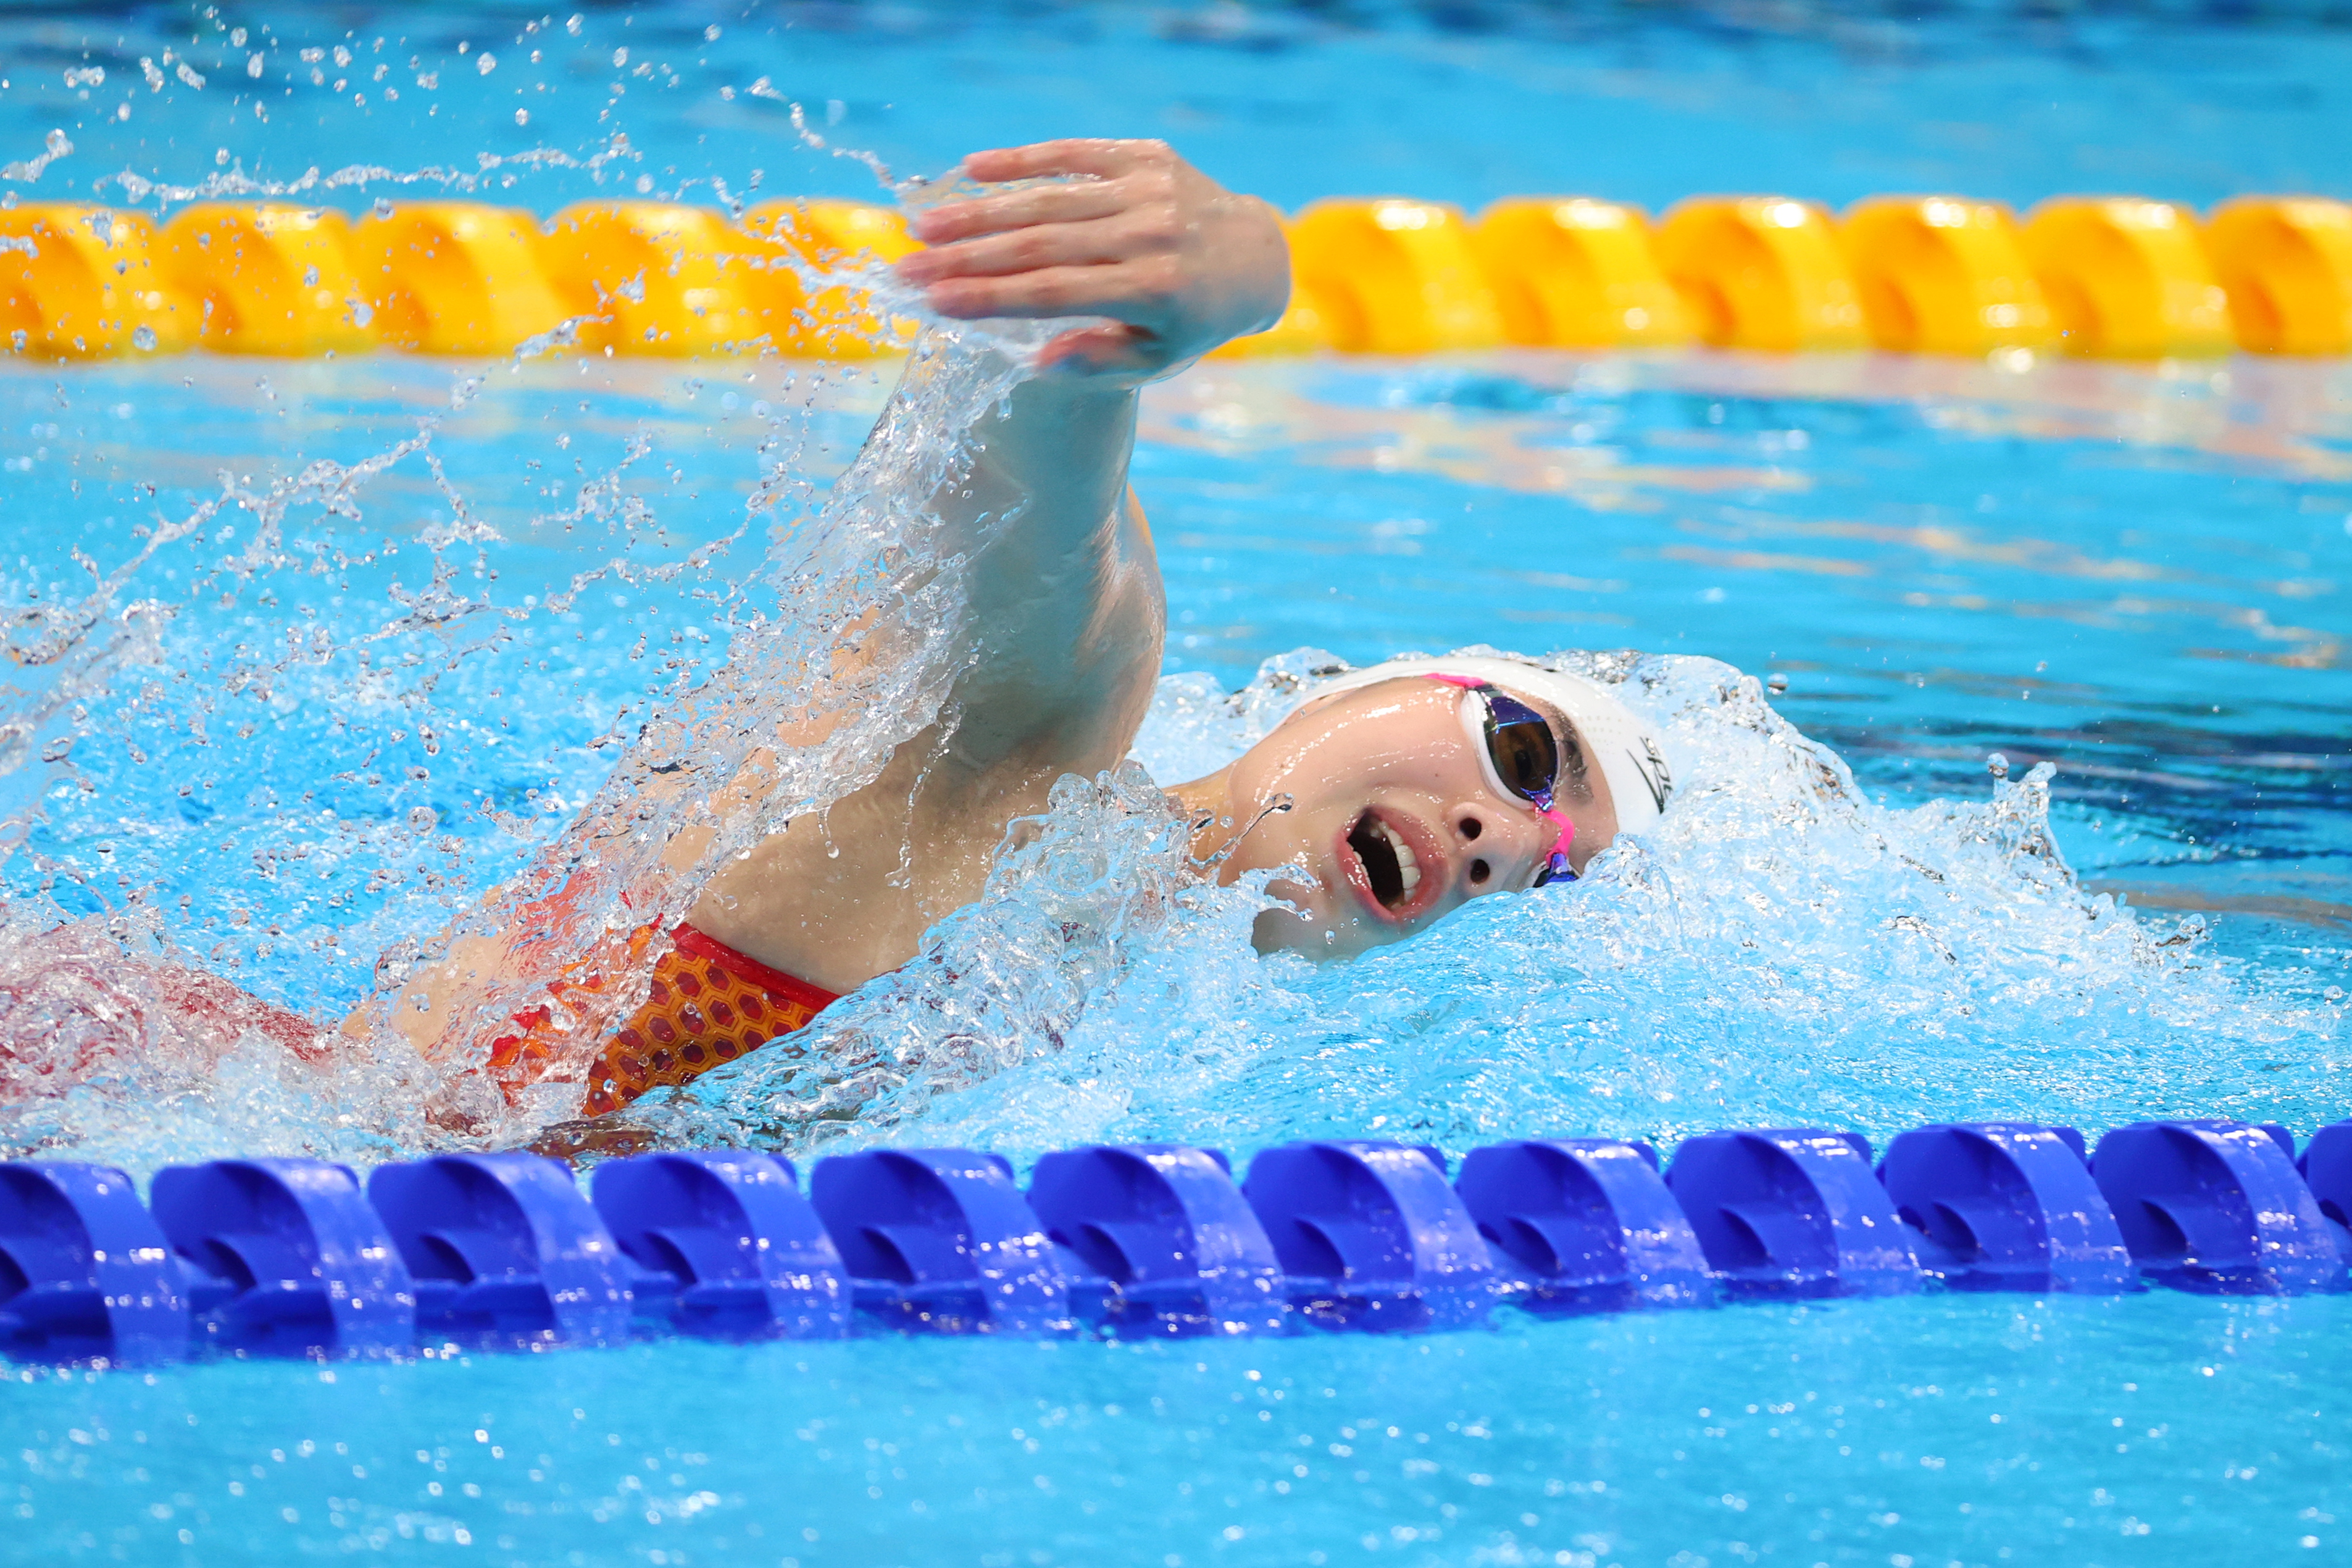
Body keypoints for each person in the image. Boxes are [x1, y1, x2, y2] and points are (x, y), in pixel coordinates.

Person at [10, 140, 1672, 1122]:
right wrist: (1214, 286)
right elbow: (1043, 458)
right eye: (1516, 753)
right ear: (1371, 689)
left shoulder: (1081, 981)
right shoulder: (1041, 739)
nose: (1490, 836)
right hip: (116, 1081)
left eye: (1544, 859)